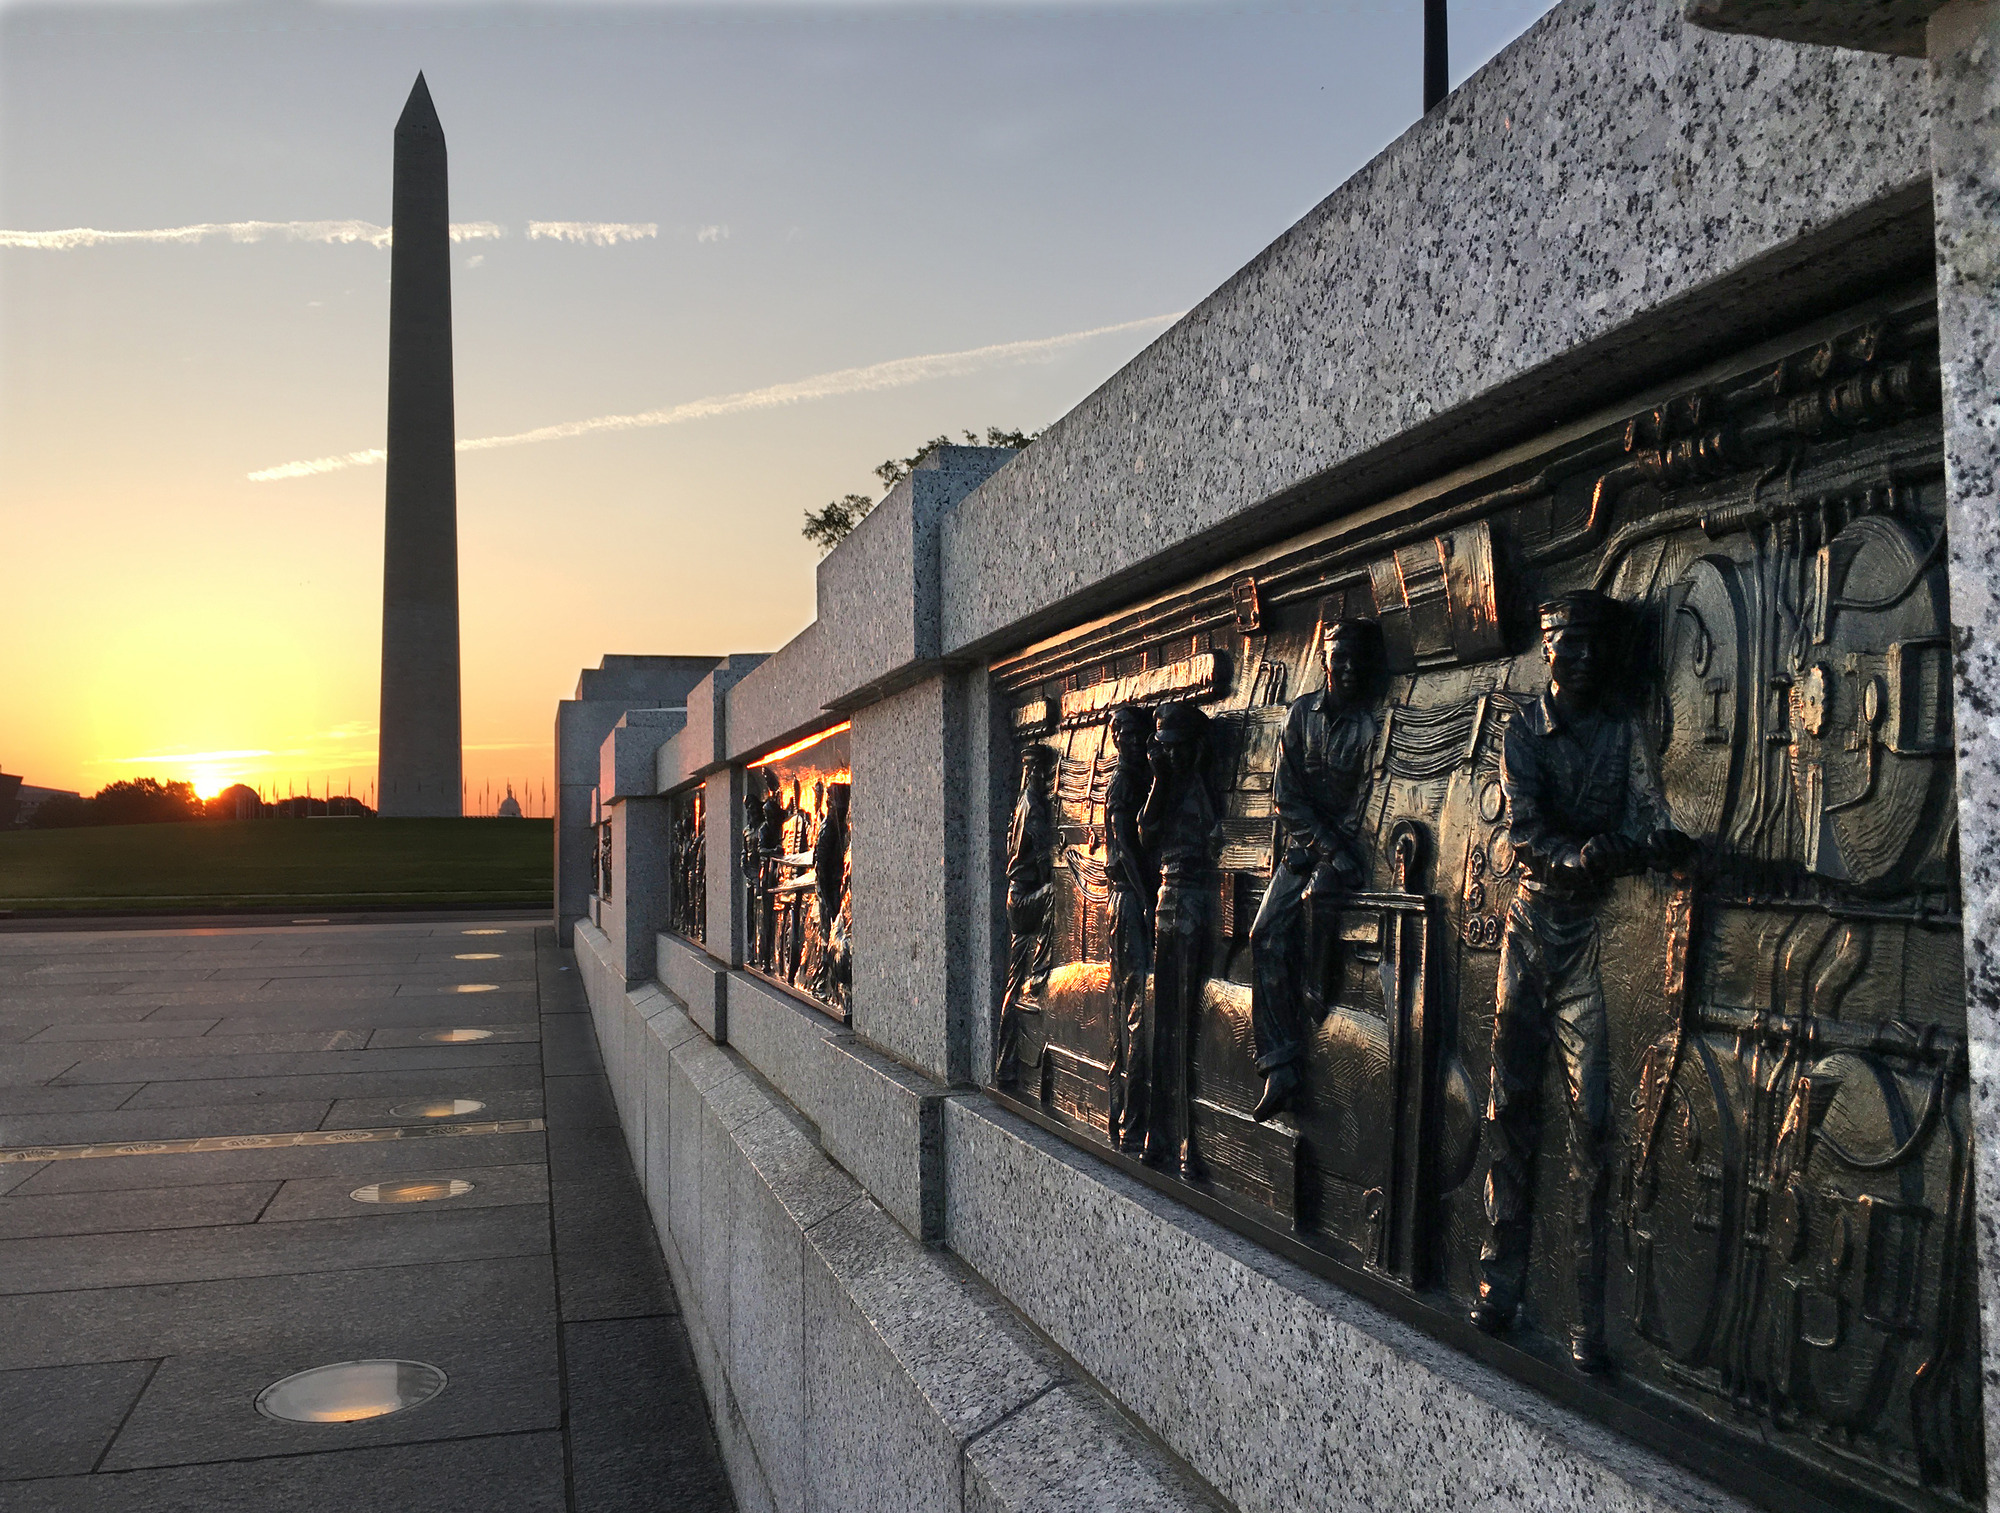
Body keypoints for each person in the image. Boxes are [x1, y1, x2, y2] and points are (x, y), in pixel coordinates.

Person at [1470, 589, 1694, 1373]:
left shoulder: (1621, 731)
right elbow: (1528, 829)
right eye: (1575, 642)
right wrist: (1580, 855)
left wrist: (1656, 841)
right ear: (1548, 649)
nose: (1589, 656)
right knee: (1509, 1108)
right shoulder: (1523, 732)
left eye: (1599, 643)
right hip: (1530, 936)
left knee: (1594, 1125)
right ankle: (1500, 1284)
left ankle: (1586, 1318)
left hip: (1587, 948)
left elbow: (1649, 809)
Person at [1248, 619, 1380, 1121]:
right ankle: (1279, 1067)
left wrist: (1339, 849)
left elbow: (1367, 802)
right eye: (1338, 657)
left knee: (1319, 899)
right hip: (1305, 852)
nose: (1347, 668)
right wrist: (1324, 845)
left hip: (1346, 858)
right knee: (1264, 934)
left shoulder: (1370, 727)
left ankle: (1315, 991)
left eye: (1355, 659)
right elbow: (1286, 797)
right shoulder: (1300, 717)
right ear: (1324, 661)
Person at [1139, 701, 1220, 1175]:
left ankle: (1190, 1141)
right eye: (1164, 750)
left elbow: (1214, 833)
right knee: (1163, 1024)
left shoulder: (1202, 783)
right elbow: (1147, 835)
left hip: (1196, 902)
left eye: (1176, 750)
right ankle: (1160, 1134)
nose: (1169, 757)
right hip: (1168, 902)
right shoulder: (1167, 785)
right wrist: (1159, 779)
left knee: (1185, 1026)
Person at [1104, 705, 1159, 1152]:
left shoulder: (1143, 778)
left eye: (1145, 735)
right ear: (1117, 738)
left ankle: (1127, 1118)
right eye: (1130, 735)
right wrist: (1148, 904)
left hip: (1133, 901)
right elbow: (1128, 851)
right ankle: (1128, 1121)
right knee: (1135, 1013)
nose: (1139, 742)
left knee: (1134, 1012)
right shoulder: (1125, 783)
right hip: (1130, 904)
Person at [994, 745, 1059, 1088]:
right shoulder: (1034, 806)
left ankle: (1006, 1067)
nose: (1048, 779)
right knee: (1056, 892)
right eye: (1045, 774)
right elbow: (1043, 856)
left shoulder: (1020, 803)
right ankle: (1042, 968)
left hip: (1015, 896)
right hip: (1025, 898)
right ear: (1036, 773)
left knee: (1010, 983)